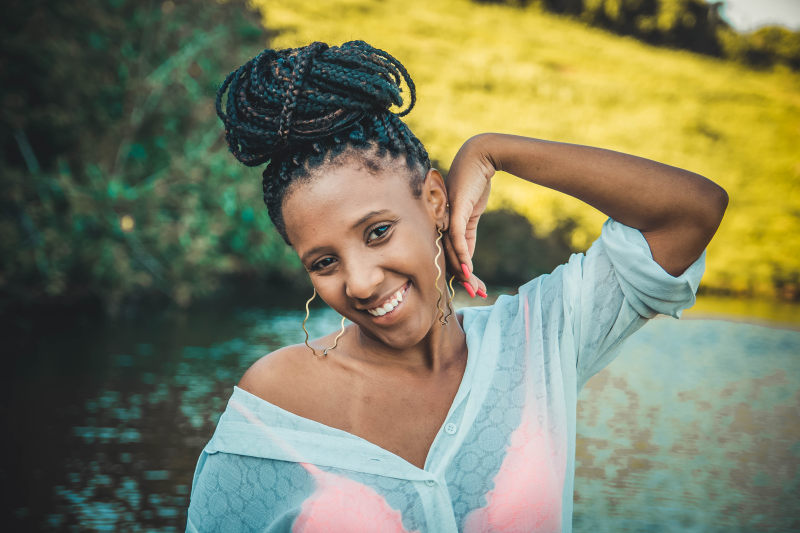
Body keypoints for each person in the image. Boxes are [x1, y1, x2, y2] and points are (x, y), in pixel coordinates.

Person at [186, 40, 727, 532]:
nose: (361, 282)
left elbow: (690, 213)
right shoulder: (275, 407)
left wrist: (494, 151)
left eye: (378, 232)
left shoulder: (536, 341)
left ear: (436, 202)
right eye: (324, 262)